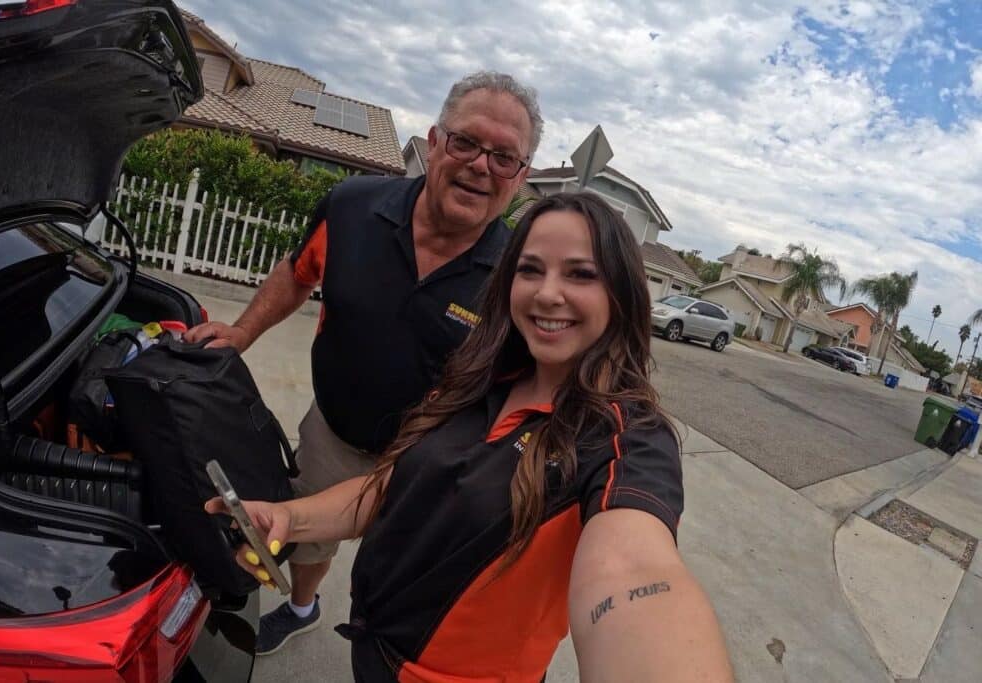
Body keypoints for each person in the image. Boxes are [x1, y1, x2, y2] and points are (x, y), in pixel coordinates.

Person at [207, 193, 734, 682]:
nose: (549, 293)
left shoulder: (625, 437)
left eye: (581, 274)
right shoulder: (477, 382)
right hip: (374, 653)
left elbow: (633, 572)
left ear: (620, 295)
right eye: (530, 269)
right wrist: (290, 519)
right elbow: (391, 489)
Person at [185, 71, 544, 655]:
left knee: (399, 576)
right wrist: (244, 330)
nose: (481, 166)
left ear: (521, 178)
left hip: (428, 471)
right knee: (305, 541)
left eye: (505, 157)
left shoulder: (521, 280)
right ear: (434, 142)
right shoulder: (352, 208)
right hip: (336, 433)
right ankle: (303, 606)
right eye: (467, 143)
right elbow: (298, 271)